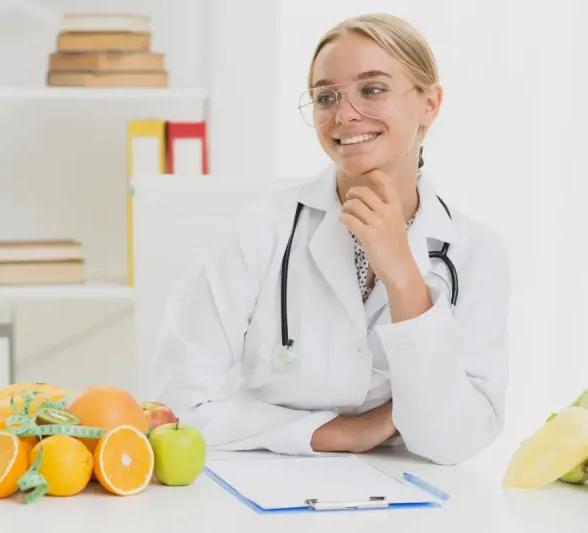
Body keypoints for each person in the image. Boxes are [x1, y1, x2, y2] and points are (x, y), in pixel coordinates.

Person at [148, 13, 512, 466]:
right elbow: (172, 408)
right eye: (326, 97)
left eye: (372, 89)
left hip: (416, 502)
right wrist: (336, 433)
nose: (343, 115)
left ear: (430, 103)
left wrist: (402, 276)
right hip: (268, 486)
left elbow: (455, 441)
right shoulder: (263, 230)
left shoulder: (476, 252)